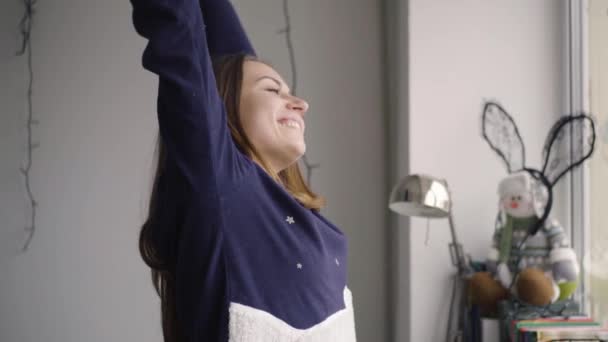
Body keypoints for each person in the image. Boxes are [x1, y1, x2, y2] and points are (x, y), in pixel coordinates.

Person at [129, 0, 357, 340]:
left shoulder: (282, 207)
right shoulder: (225, 187)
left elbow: (234, 64)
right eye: (272, 90)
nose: (301, 104)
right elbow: (184, 34)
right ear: (221, 111)